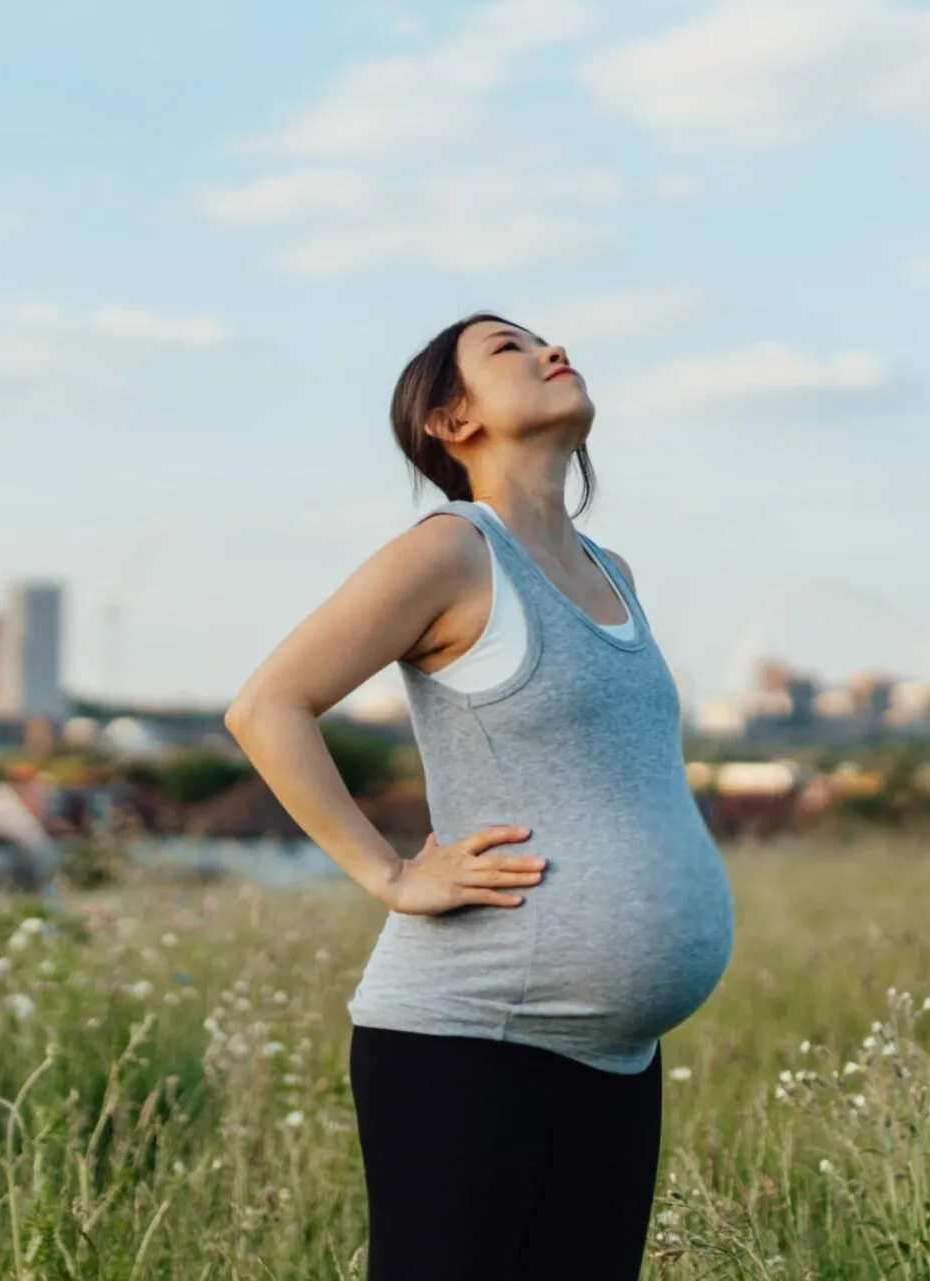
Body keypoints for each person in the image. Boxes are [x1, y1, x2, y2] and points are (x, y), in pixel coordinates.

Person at [223, 313, 735, 1279]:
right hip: (472, 1036)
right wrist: (389, 872)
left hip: (615, 1053)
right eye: (509, 348)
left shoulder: (611, 572)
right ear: (451, 421)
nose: (552, 349)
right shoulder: (452, 552)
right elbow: (268, 706)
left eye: (545, 339)